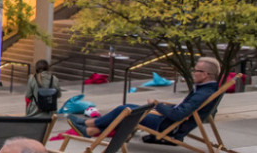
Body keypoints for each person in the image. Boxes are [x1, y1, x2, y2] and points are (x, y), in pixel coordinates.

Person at [71, 57, 222, 142]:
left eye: (196, 70)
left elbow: (178, 115)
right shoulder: (207, 89)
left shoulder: (203, 93)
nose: (193, 72)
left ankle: (88, 124)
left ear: (206, 74)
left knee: (124, 111)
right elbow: (184, 110)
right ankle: (91, 130)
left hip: (167, 125)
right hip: (169, 121)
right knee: (127, 109)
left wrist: (157, 105)